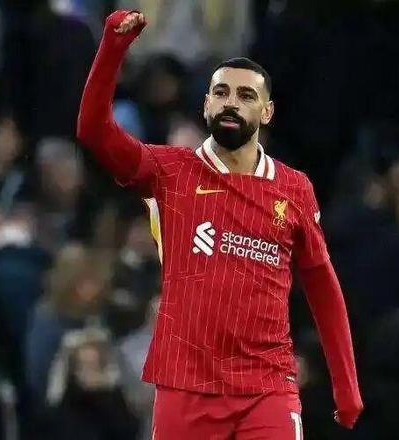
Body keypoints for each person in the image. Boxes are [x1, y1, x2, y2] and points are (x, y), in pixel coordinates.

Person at [77, 10, 363, 439]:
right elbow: (93, 131)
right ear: (206, 104)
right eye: (222, 92)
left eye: (246, 96)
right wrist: (112, 49)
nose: (232, 103)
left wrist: (346, 384)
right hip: (185, 384)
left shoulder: (294, 188)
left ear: (267, 112)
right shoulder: (170, 172)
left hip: (267, 386)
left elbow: (322, 283)